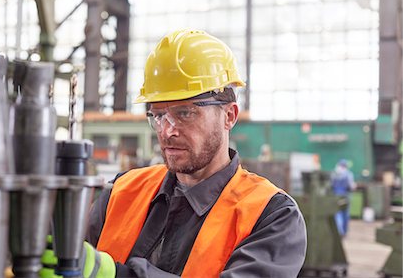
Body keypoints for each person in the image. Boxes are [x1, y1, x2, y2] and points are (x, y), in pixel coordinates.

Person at [44, 29, 307, 278]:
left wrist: (114, 274)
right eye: (158, 116)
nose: (166, 131)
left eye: (184, 113)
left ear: (229, 116)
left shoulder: (271, 215)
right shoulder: (120, 192)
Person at [331, 159, 356, 237]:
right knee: (345, 215)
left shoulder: (334, 174)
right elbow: (351, 186)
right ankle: (343, 232)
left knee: (337, 214)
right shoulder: (348, 174)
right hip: (345, 196)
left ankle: (339, 231)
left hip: (335, 196)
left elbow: (330, 185)